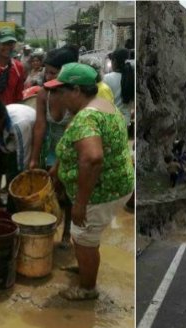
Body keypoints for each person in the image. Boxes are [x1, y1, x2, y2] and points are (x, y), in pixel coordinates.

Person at [43, 63, 134, 300]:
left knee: (84, 237)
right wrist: (57, 170)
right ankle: (85, 265)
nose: (57, 97)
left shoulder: (86, 117)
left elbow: (93, 158)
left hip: (101, 192)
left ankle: (87, 288)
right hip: (117, 184)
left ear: (76, 91)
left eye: (61, 92)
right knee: (85, 236)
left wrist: (80, 204)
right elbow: (76, 148)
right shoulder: (104, 105)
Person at [28, 45, 81, 247]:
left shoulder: (74, 96)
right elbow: (40, 126)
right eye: (46, 71)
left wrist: (59, 166)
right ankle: (48, 229)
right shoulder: (44, 94)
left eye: (53, 72)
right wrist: (34, 158)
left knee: (69, 195)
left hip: (71, 147)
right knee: (48, 192)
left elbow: (71, 134)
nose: (47, 75)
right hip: (51, 147)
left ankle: (67, 233)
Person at [0, 97, 36, 209]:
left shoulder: (19, 124)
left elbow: (22, 160)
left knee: (14, 173)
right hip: (7, 145)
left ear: (3, 118)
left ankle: (14, 207)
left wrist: (20, 190)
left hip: (30, 138)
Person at [103, 48, 135, 125]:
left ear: (115, 61)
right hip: (125, 122)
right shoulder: (132, 78)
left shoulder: (106, 78)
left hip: (110, 122)